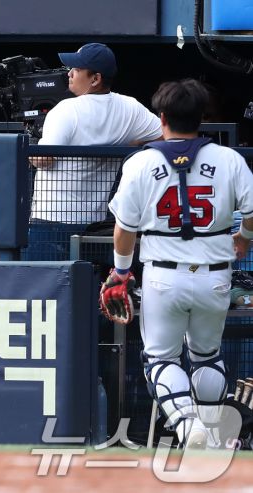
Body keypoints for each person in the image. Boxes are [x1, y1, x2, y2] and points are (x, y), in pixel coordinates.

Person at [105, 78, 253, 448]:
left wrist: (121, 272)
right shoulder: (229, 159)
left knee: (160, 360)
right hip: (214, 277)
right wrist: (243, 237)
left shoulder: (141, 162)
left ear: (162, 117)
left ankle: (188, 427)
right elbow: (252, 213)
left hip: (163, 277)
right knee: (207, 357)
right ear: (201, 117)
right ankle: (212, 434)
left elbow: (124, 229)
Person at [25, 43, 163, 260]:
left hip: (50, 221)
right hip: (96, 224)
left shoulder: (66, 109)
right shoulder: (129, 107)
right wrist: (132, 145)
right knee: (90, 282)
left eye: (77, 69)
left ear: (95, 79)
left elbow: (43, 160)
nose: (69, 73)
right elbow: (167, 135)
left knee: (44, 281)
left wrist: (31, 146)